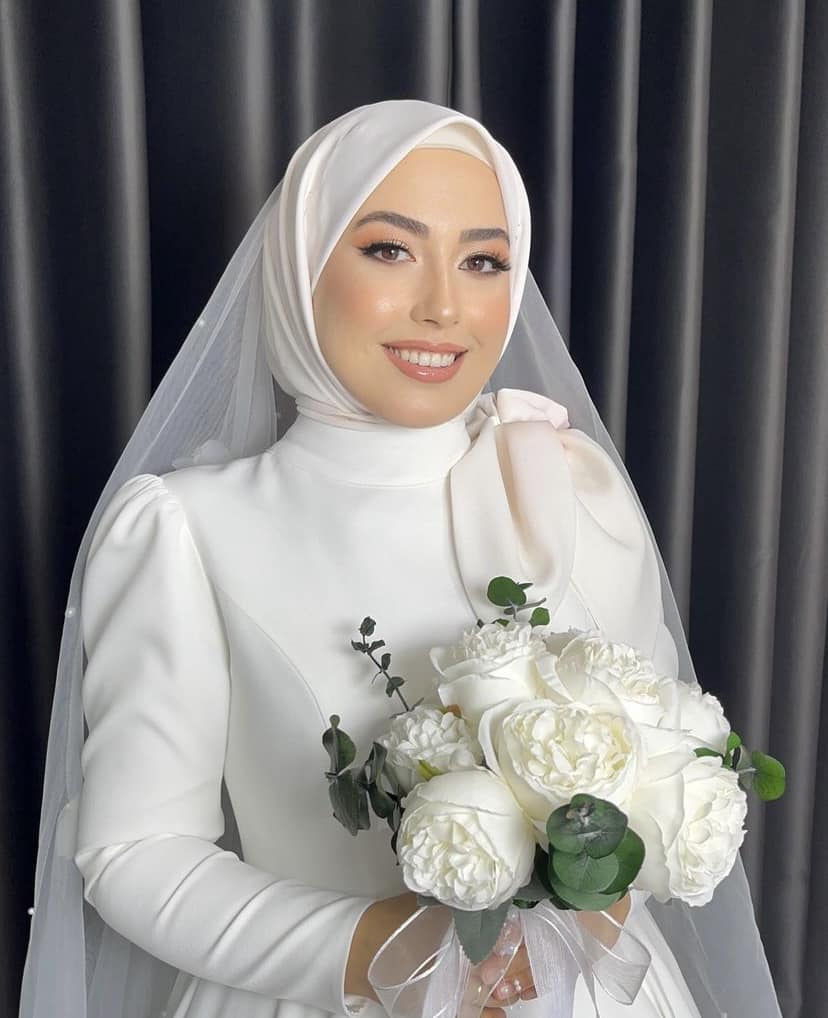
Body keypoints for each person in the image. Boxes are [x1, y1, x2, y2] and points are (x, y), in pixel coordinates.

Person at [18, 100, 781, 1018]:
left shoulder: (574, 488)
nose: (444, 307)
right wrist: (394, 951)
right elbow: (133, 852)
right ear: (299, 267)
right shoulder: (188, 527)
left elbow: (670, 768)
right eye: (389, 250)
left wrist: (603, 895)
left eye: (483, 261)